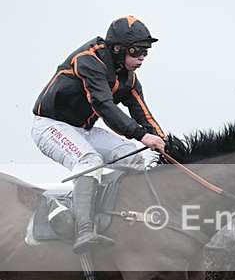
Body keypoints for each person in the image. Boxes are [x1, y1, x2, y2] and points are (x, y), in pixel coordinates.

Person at [32, 16, 167, 253]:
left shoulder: (128, 78)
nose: (142, 57)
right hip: (50, 125)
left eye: (146, 51)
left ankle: (127, 218)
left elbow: (143, 114)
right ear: (117, 48)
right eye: (137, 51)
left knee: (134, 156)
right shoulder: (88, 60)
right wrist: (141, 136)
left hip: (84, 130)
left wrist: (162, 140)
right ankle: (83, 230)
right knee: (89, 161)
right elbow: (103, 105)